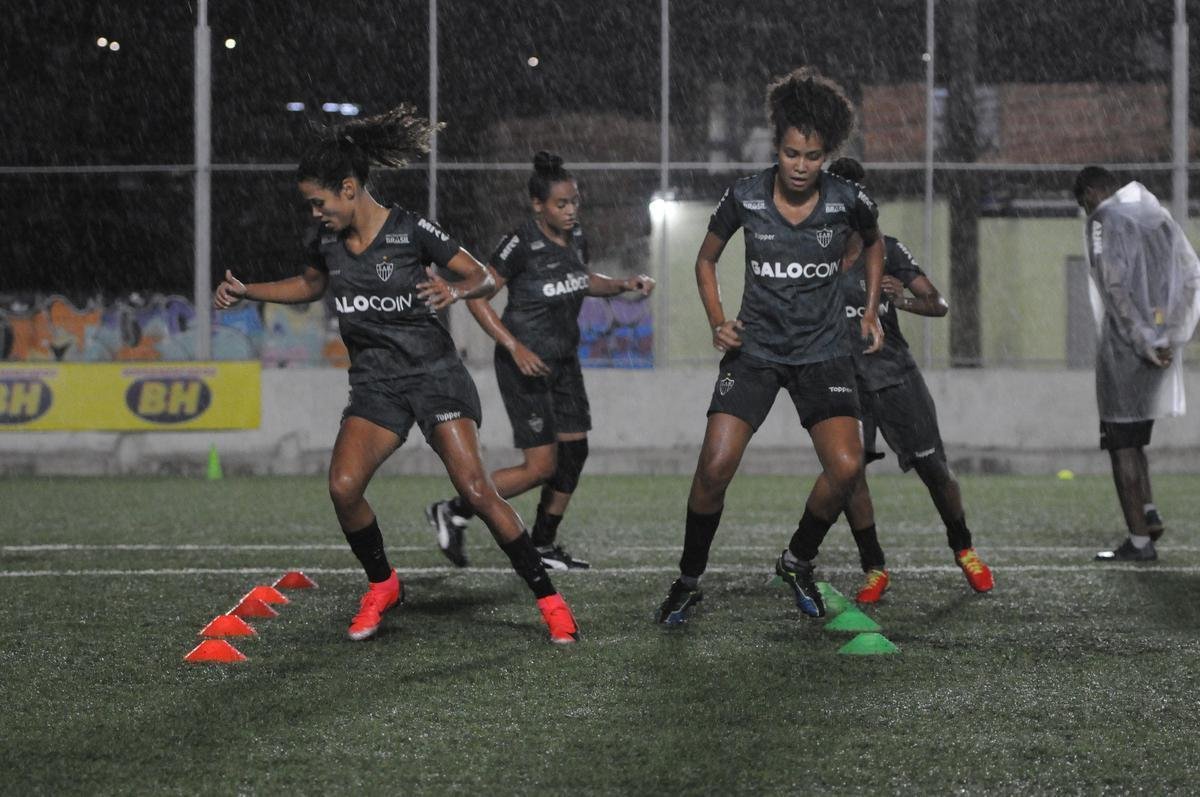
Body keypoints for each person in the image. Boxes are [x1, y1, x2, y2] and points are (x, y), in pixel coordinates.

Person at [213, 105, 579, 643]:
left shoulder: (411, 230)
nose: (314, 213)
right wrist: (249, 290)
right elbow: (311, 286)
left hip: (435, 376)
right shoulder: (324, 241)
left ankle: (549, 600)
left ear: (348, 189)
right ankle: (383, 583)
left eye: (318, 202)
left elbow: (481, 276)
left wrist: (455, 289)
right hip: (376, 385)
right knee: (343, 488)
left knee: (476, 489)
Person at [655, 67, 885, 625]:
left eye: (813, 156)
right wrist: (717, 321)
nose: (801, 166)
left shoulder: (848, 199)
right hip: (755, 352)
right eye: (791, 154)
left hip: (823, 352)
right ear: (776, 146)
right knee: (715, 467)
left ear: (827, 154)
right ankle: (688, 581)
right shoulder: (746, 196)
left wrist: (871, 310)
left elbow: (875, 245)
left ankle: (797, 560)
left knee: (847, 468)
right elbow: (705, 259)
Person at [426, 152, 655, 571]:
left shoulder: (577, 236)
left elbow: (581, 280)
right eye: (561, 204)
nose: (570, 211)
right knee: (540, 467)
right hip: (524, 366)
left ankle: (544, 544)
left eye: (574, 202)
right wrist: (515, 347)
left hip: (564, 362)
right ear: (538, 205)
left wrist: (624, 283)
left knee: (574, 453)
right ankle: (453, 509)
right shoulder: (519, 243)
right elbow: (478, 297)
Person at [826, 156, 994, 603]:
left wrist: (902, 300)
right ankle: (874, 567)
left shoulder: (887, 250)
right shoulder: (816, 256)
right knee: (849, 475)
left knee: (934, 470)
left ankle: (964, 548)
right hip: (844, 382)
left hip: (896, 378)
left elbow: (938, 303)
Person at [1073, 166, 1200, 561]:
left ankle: (1139, 542)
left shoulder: (1103, 220)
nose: (1086, 210)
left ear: (1091, 193)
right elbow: (1190, 274)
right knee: (1136, 438)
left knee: (1121, 444)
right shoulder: (1155, 217)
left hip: (1127, 350)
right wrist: (1170, 334)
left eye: (1084, 203)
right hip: (1161, 346)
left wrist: (1143, 340)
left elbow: (1113, 287)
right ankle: (1149, 512)